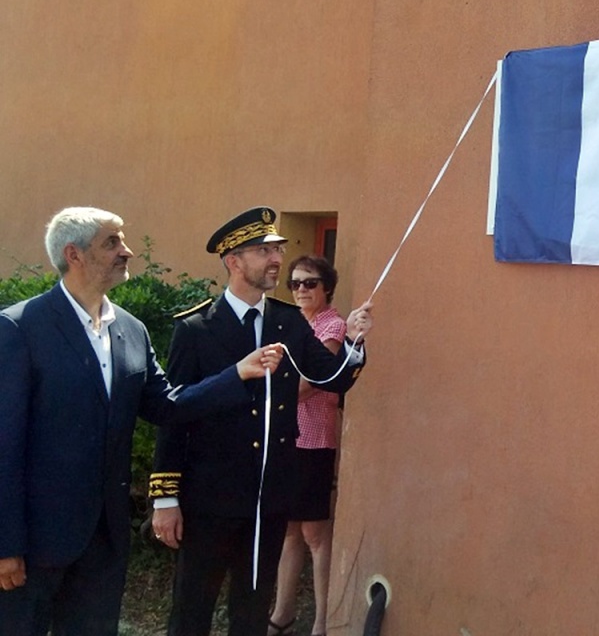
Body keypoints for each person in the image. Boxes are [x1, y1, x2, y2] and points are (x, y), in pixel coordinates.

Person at [0, 207, 283, 635]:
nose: (127, 251)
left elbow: (168, 406)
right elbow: (5, 445)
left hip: (104, 542)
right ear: (74, 255)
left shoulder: (132, 330)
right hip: (35, 544)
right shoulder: (20, 328)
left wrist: (236, 374)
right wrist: (6, 544)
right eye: (112, 242)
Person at [149, 207, 373, 636]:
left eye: (278, 250)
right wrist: (165, 498)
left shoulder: (288, 322)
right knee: (192, 610)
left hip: (267, 497)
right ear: (234, 261)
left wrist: (353, 340)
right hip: (209, 498)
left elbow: (332, 378)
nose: (276, 259)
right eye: (264, 251)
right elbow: (174, 414)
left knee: (251, 612)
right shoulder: (196, 329)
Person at [268, 255, 345, 636]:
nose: (301, 289)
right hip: (285, 436)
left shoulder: (332, 325)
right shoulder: (291, 323)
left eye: (310, 283)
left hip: (314, 439)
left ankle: (322, 622)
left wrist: (271, 399)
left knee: (315, 534)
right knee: (288, 531)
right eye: (295, 283)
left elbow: (316, 379)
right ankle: (282, 615)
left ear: (326, 287)